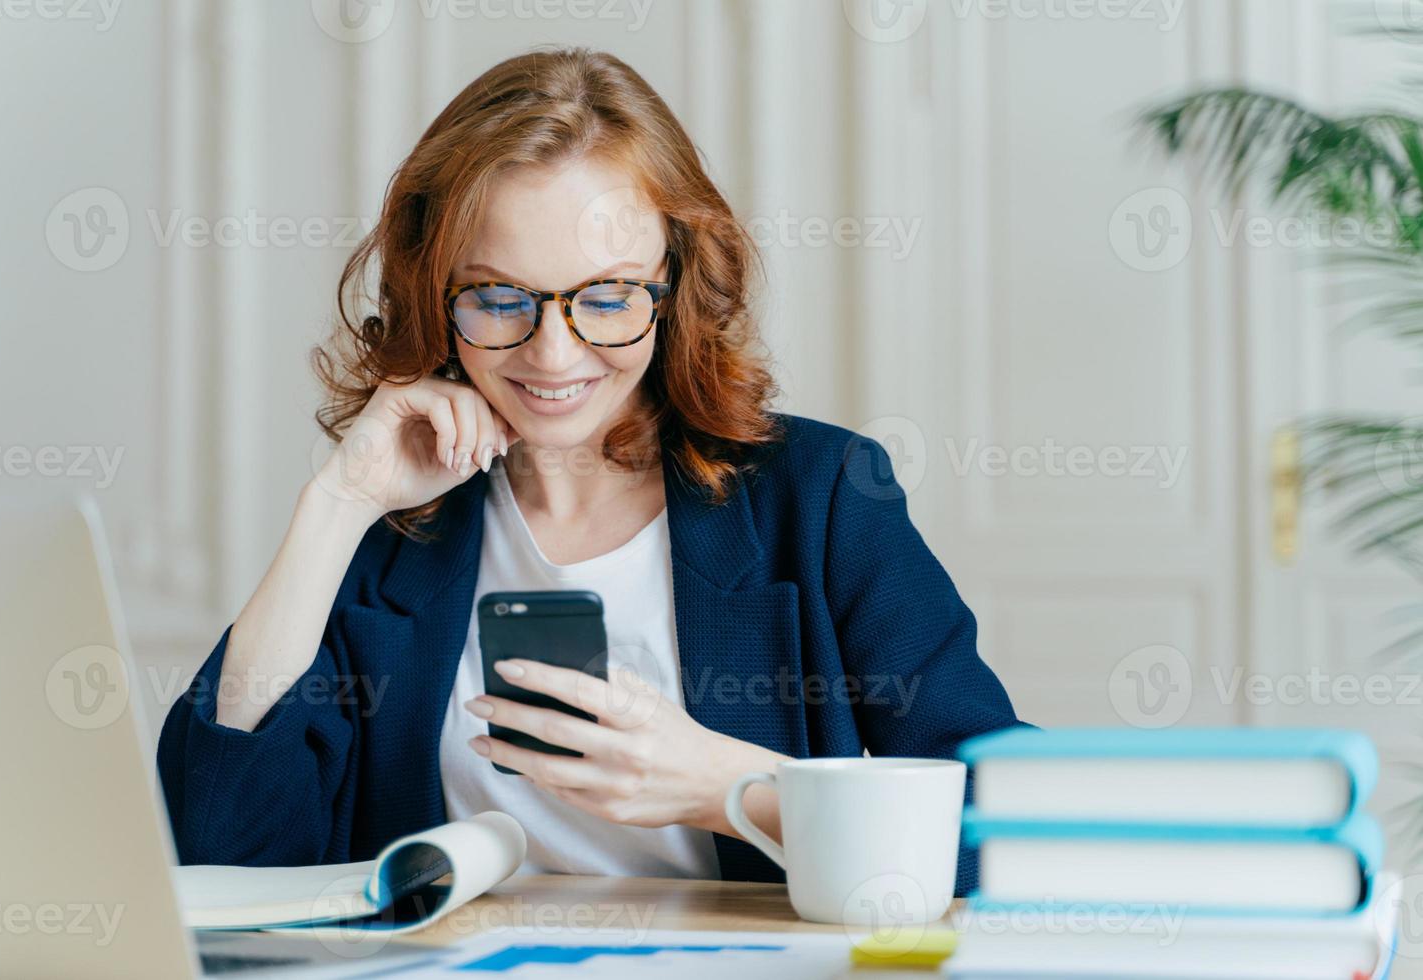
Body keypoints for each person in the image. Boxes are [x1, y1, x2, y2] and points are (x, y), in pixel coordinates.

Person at [156, 46, 1021, 893]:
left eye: (607, 297)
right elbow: (224, 852)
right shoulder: (396, 528)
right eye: (498, 298)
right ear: (435, 291)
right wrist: (337, 503)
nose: (554, 353)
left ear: (675, 284)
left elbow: (1002, 828)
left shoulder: (825, 496)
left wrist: (729, 788)